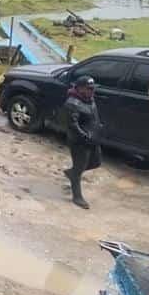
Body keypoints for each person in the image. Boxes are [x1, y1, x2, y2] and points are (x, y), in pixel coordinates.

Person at [64, 75, 102, 209]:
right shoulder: (72, 103)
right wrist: (84, 136)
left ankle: (72, 173)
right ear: (79, 89)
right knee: (79, 168)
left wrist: (98, 128)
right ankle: (77, 196)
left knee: (96, 162)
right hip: (79, 142)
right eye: (89, 89)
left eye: (93, 88)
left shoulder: (89, 99)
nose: (92, 91)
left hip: (93, 138)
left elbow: (93, 116)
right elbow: (73, 125)